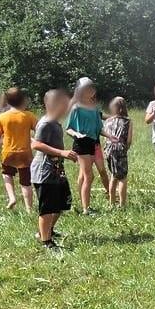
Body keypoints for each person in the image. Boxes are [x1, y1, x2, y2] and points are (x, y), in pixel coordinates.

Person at [30, 89, 76, 250]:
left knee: (62, 203)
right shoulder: (46, 123)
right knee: (48, 208)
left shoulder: (55, 122)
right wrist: (62, 153)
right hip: (44, 172)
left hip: (56, 171)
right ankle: (46, 241)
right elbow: (36, 144)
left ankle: (47, 230)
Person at [0, 87, 37, 211]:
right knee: (26, 182)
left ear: (7, 102)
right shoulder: (29, 116)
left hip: (8, 153)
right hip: (25, 153)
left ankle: (12, 197)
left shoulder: (2, 117)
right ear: (23, 100)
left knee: (7, 175)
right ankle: (29, 209)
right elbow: (40, 131)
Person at [66, 78, 108, 214]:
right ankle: (86, 209)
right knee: (88, 176)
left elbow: (99, 128)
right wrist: (77, 134)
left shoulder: (94, 108)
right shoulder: (76, 108)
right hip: (81, 143)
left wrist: (111, 137)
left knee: (87, 175)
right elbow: (68, 128)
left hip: (93, 143)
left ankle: (84, 204)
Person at [102, 96, 133, 207]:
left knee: (113, 175)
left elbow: (105, 137)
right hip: (120, 150)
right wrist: (125, 149)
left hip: (108, 149)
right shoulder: (128, 121)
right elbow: (129, 140)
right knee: (122, 178)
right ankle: (122, 204)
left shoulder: (108, 120)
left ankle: (111, 203)